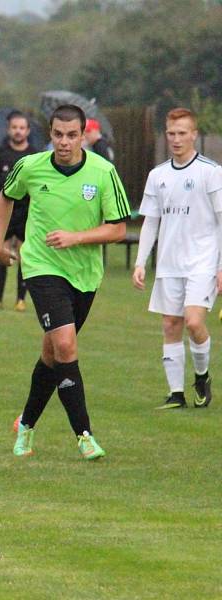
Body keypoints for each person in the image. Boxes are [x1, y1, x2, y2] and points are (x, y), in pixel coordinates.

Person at [0, 104, 130, 460]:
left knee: (52, 354)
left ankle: (26, 425)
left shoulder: (103, 173)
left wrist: (76, 238)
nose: (64, 142)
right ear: (49, 134)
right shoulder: (30, 166)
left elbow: (118, 229)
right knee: (66, 346)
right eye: (57, 135)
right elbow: (5, 198)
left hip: (84, 274)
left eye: (71, 135)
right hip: (40, 266)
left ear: (83, 135)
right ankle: (85, 436)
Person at [132, 107, 222, 409]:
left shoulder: (210, 172)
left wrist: (221, 266)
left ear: (194, 134)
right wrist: (140, 261)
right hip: (169, 263)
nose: (176, 139)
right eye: (171, 133)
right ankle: (176, 394)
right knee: (171, 324)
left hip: (202, 262)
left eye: (182, 133)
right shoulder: (158, 175)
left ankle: (201, 376)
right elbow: (151, 221)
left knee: (194, 322)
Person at [0, 110, 38, 311]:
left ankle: (21, 299)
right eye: (14, 127)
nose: (18, 131)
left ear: (28, 131)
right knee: (0, 251)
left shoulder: (35, 156)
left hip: (27, 211)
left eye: (22, 128)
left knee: (25, 255)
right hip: (4, 211)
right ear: (8, 130)